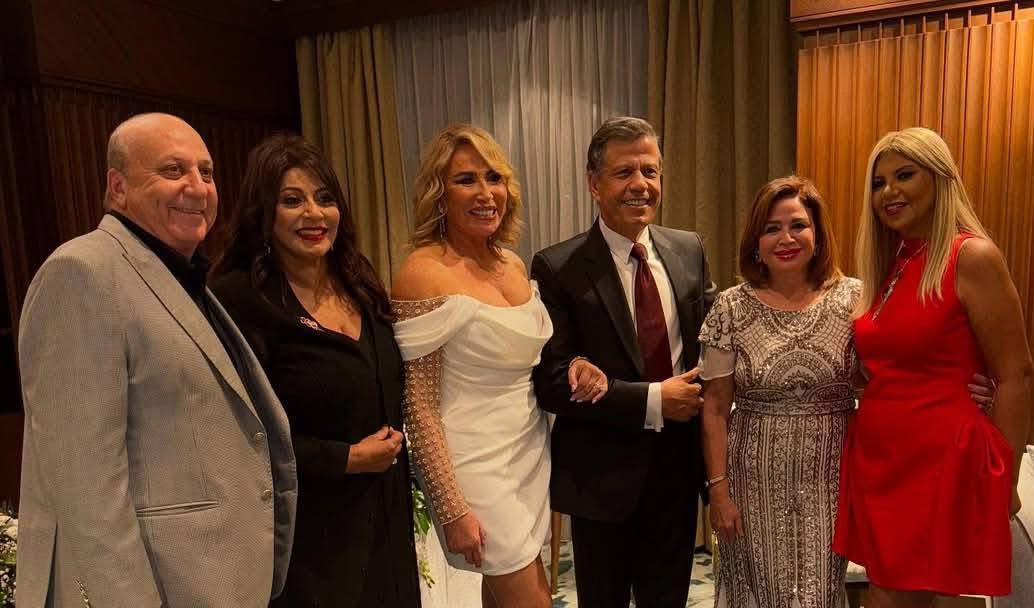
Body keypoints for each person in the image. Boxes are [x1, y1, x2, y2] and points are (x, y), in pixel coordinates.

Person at [15, 113, 297, 607]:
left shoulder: (179, 276)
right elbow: (87, 487)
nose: (197, 187)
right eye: (172, 170)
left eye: (207, 173)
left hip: (216, 584)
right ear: (117, 187)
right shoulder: (82, 272)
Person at [392, 123, 605, 608]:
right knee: (531, 599)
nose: (486, 193)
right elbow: (419, 406)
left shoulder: (511, 264)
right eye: (466, 179)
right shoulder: (422, 273)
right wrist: (451, 507)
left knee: (507, 595)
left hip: (527, 448)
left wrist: (575, 364)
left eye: (494, 177)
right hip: (473, 465)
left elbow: (530, 359)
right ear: (439, 194)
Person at [212, 134, 421, 606]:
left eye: (324, 198)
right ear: (263, 214)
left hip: (386, 521)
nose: (314, 214)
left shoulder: (359, 279)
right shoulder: (240, 299)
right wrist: (345, 458)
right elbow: (239, 437)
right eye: (292, 201)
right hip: (309, 537)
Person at [834, 127, 1034, 606]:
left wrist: (1006, 478)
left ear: (940, 179)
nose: (889, 191)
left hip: (940, 462)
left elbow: (1017, 374)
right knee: (885, 594)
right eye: (879, 183)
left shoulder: (971, 256)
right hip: (881, 459)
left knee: (918, 598)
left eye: (905, 175)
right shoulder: (891, 263)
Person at [531, 116, 716, 608]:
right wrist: (653, 400)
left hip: (678, 473)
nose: (640, 184)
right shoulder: (558, 267)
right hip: (600, 481)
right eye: (624, 172)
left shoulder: (689, 250)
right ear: (594, 184)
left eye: (650, 171)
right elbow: (552, 381)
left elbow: (715, 342)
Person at [699, 176, 859, 608]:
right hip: (751, 484)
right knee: (758, 591)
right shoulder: (731, 307)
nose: (786, 239)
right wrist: (719, 491)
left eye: (798, 225)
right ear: (756, 241)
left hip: (831, 481)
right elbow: (714, 408)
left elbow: (889, 375)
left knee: (819, 591)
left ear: (817, 234)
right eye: (772, 228)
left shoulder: (854, 299)